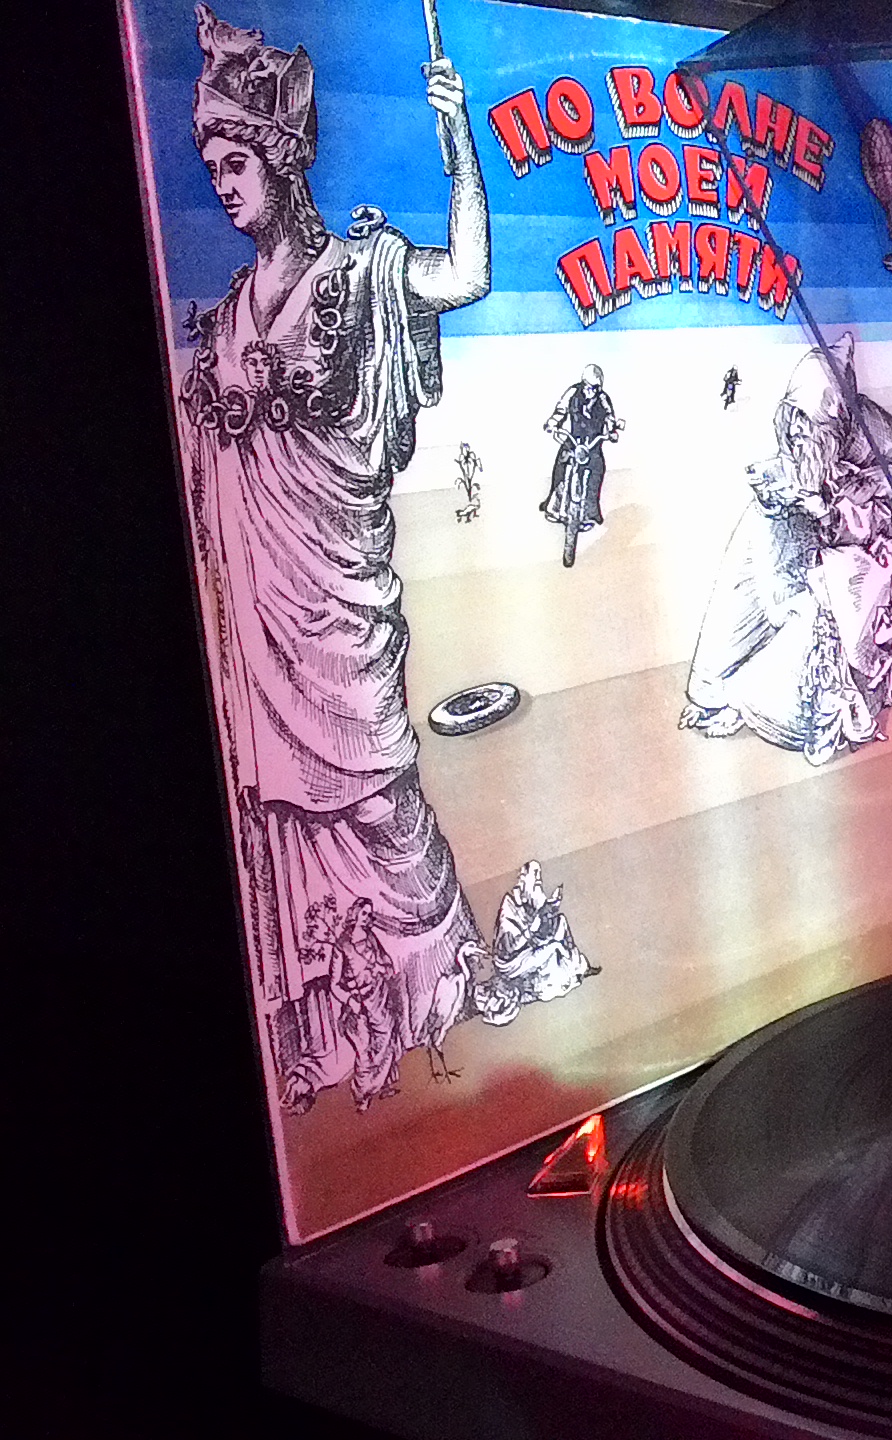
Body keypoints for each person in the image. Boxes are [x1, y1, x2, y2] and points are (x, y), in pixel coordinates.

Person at [174, 5, 491, 1113]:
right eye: (211, 169)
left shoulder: (361, 271)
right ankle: (342, 1028)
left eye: (236, 163)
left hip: (339, 598)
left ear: (281, 156)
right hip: (263, 617)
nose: (223, 186)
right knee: (294, 822)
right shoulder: (223, 322)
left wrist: (458, 139)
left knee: (380, 799)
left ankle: (439, 978)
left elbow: (465, 275)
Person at [679, 338, 892, 765]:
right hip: (819, 537)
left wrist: (848, 507)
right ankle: (718, 690)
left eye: (809, 427)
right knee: (756, 557)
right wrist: (798, 505)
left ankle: (826, 707)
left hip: (879, 548)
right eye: (795, 425)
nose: (799, 435)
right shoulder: (798, 447)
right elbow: (800, 495)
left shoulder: (879, 436)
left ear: (835, 421)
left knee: (870, 576)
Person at [541, 364, 620, 536]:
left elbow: (609, 417)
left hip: (592, 444)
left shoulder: (603, 398)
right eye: (588, 386)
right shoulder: (572, 392)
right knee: (561, 464)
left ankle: (589, 514)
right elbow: (560, 409)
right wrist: (552, 423)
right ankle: (554, 507)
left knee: (597, 470)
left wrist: (611, 430)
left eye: (595, 388)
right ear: (583, 383)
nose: (591, 391)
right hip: (573, 440)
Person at [453, 442, 482, 522]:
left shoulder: (471, 455)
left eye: (467, 448)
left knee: (469, 479)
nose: (466, 450)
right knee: (467, 479)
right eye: (465, 448)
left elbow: (474, 460)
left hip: (469, 470)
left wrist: (479, 466)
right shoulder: (462, 456)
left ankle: (470, 497)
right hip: (466, 470)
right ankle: (470, 497)